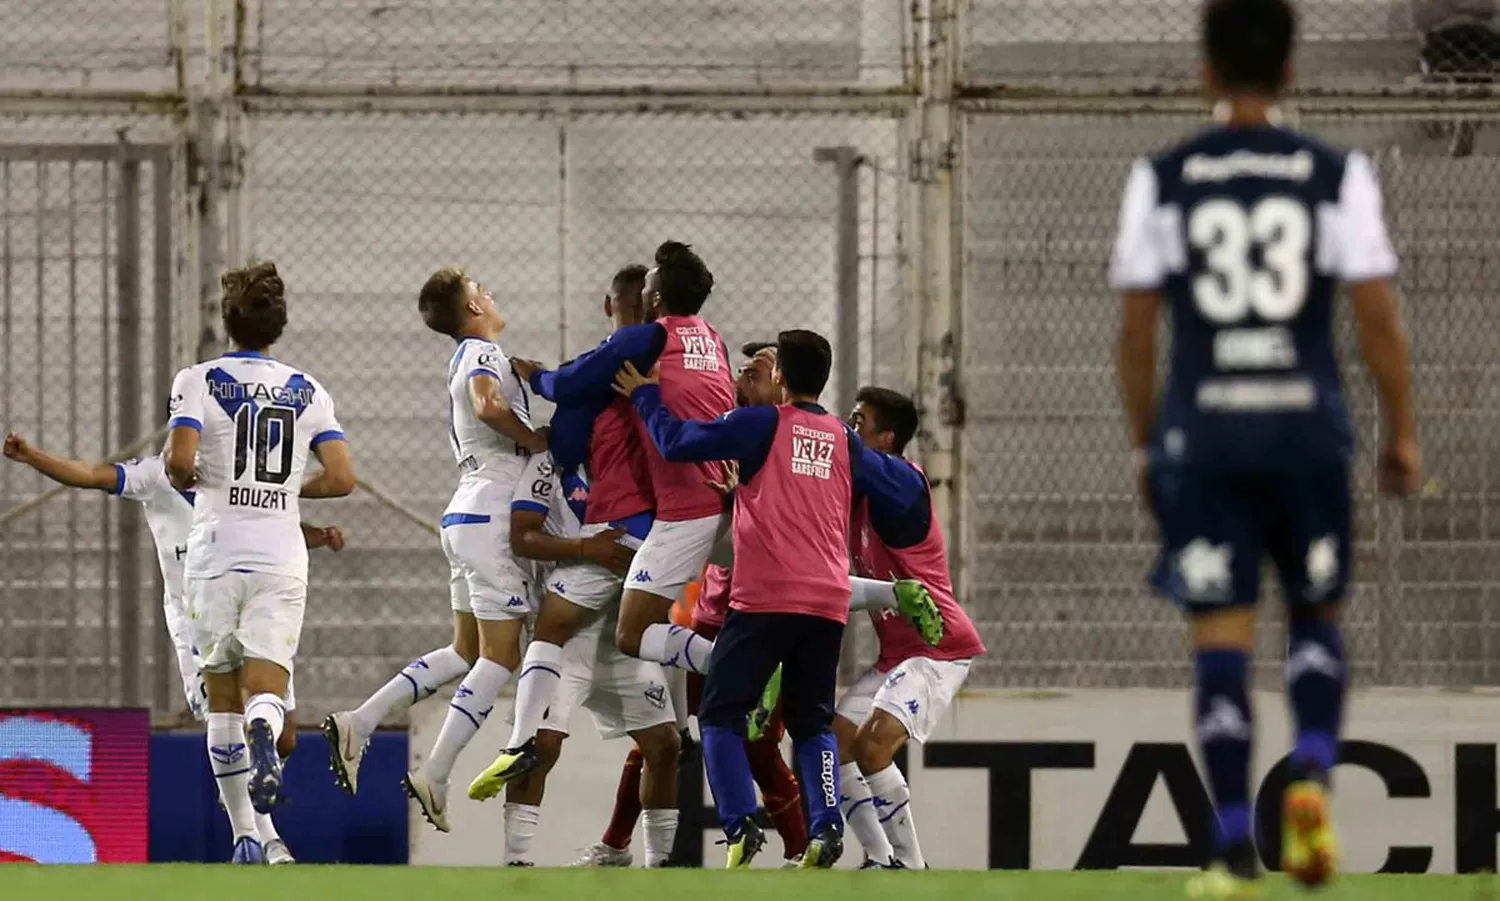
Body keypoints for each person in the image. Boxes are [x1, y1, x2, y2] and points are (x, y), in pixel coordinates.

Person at [1109, 0, 1419, 894]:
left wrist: (1145, 447)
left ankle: (1235, 845)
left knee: (1222, 639)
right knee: (1317, 617)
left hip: (1205, 435)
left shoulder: (1164, 176)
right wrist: (1401, 430)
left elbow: (1136, 330)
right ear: (1291, 71)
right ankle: (1313, 775)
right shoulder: (1335, 172)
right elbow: (1374, 313)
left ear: (1204, 70)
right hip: (1306, 432)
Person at [614, 329, 934, 869]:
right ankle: (827, 828)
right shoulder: (841, 437)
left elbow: (677, 443)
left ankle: (741, 823)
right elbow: (889, 486)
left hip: (764, 600)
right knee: (812, 725)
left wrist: (644, 394)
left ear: (782, 375)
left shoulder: (762, 423)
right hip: (828, 604)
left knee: (719, 715)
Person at [1, 430, 344, 865]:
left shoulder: (231, 480)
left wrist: (318, 536)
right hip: (196, 620)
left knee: (286, 738)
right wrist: (32, 455)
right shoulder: (153, 477)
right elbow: (89, 474)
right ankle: (256, 838)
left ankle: (238, 787)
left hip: (248, 602)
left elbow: (271, 529)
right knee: (229, 716)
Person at [477, 245, 734, 794]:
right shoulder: (711, 340)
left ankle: (519, 745)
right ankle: (685, 726)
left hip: (655, 517)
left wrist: (539, 379)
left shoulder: (641, 344)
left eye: (651, 285)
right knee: (656, 719)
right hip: (715, 499)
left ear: (654, 298)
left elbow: (569, 395)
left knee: (598, 629)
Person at [325, 267, 546, 833]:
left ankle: (361, 720)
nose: (490, 292)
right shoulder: (481, 353)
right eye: (481, 290)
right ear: (471, 310)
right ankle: (437, 774)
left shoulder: (476, 352)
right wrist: (539, 439)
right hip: (490, 513)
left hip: (465, 512)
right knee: (502, 658)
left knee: (466, 651)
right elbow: (486, 404)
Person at [165, 261, 355, 864]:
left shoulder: (198, 379)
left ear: (227, 321)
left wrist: (205, 478)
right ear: (279, 325)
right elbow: (344, 477)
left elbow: (177, 463)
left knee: (221, 694)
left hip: (217, 552)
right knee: (267, 686)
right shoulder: (309, 390)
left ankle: (245, 834)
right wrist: (286, 488)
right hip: (281, 554)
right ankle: (265, 736)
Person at [489, 448, 681, 867]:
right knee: (542, 745)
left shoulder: (647, 463)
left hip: (624, 636)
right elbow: (522, 535)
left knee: (664, 745)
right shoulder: (551, 464)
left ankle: (660, 867)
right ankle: (515, 863)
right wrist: (583, 547)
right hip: (566, 638)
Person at [824, 386, 986, 870]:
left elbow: (845, 451)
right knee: (835, 743)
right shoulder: (858, 501)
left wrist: (803, 418)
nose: (851, 428)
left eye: (859, 420)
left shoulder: (902, 483)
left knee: (874, 746)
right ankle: (879, 857)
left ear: (887, 438)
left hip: (939, 648)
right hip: (897, 652)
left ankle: (911, 867)